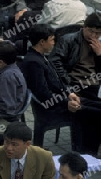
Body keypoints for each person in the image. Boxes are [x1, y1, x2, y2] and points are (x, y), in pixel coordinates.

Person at [22, 24, 101, 155]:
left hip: (61, 101)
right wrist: (66, 103)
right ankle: (85, 152)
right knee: (93, 113)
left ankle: (89, 150)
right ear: (42, 42)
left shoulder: (41, 56)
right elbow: (43, 94)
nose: (54, 43)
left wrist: (69, 93)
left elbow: (56, 82)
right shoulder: (33, 62)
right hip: (52, 107)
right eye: (52, 40)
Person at [49, 12, 101, 100]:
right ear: (84, 26)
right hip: (74, 83)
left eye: (98, 33)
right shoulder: (69, 40)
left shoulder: (99, 44)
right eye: (90, 31)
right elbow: (55, 62)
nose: (93, 36)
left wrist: (99, 55)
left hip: (94, 85)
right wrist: (68, 81)